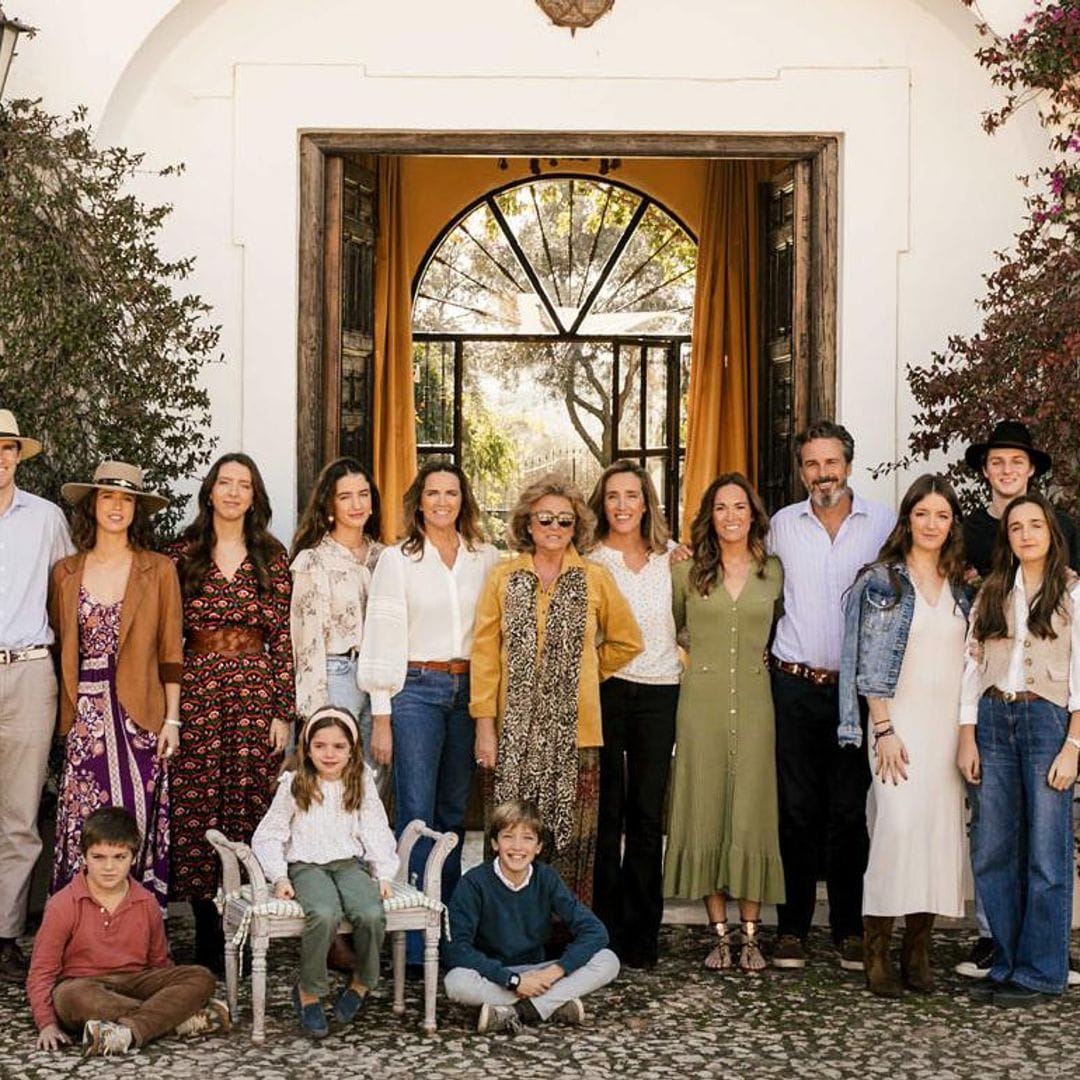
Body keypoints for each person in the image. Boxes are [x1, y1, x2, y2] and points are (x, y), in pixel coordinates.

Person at [471, 474, 642, 905]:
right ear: (527, 523)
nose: (554, 528)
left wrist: (583, 673)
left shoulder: (594, 579)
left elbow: (627, 641)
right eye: (544, 519)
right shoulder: (502, 578)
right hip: (513, 735)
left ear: (576, 527)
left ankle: (563, 938)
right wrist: (484, 728)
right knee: (511, 835)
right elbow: (486, 656)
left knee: (568, 840)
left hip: (576, 736)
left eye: (564, 521)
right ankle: (508, 930)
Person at [358, 459, 499, 968]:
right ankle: (413, 946)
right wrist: (381, 714)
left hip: (469, 692)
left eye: (452, 493)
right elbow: (382, 635)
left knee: (454, 817)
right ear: (419, 501)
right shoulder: (398, 559)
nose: (443, 501)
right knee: (416, 816)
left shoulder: (486, 558)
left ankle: (450, 931)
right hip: (415, 690)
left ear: (465, 501)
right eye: (433, 493)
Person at [767, 421, 895, 971]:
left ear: (849, 464)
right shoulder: (780, 527)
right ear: (802, 471)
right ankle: (792, 929)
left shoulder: (884, 525)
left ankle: (847, 928)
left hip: (854, 690)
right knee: (795, 810)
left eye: (831, 463)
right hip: (794, 682)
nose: (823, 474)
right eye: (812, 465)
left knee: (847, 812)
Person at [839, 474, 971, 996]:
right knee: (896, 830)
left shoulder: (963, 587)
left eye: (942, 515)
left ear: (952, 523)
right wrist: (883, 728)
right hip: (897, 723)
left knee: (937, 836)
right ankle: (876, 951)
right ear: (907, 519)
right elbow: (868, 663)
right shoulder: (883, 582)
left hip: (945, 727)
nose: (932, 524)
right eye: (922, 514)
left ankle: (918, 952)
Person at [958, 420, 1080, 980]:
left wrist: (1074, 742)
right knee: (994, 850)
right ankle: (1004, 960)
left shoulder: (1072, 591)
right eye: (1016, 528)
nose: (1026, 533)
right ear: (1005, 536)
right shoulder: (990, 592)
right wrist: (967, 734)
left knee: (1046, 853)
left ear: (1051, 532)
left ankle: (1042, 969)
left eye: (1036, 525)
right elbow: (971, 666)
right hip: (992, 717)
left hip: (1046, 718)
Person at [165, 452, 295, 971]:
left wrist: (283, 710)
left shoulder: (271, 554)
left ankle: (241, 931)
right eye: (226, 483)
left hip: (253, 692)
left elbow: (283, 636)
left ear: (254, 495)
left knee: (247, 802)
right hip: (197, 691)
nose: (234, 492)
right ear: (210, 491)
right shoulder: (183, 552)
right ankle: (203, 933)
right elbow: (167, 634)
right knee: (196, 806)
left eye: (244, 485)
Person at [663, 473, 785, 973]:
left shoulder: (773, 570)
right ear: (709, 517)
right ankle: (719, 936)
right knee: (708, 806)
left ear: (753, 514)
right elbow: (669, 628)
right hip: (702, 704)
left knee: (752, 811)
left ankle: (752, 937)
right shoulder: (686, 573)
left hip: (757, 703)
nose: (731, 516)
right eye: (720, 508)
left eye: (740, 507)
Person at [49, 462, 182, 910]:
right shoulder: (66, 572)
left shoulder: (159, 570)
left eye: (127, 499)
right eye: (108, 497)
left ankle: (138, 926)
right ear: (93, 504)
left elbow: (171, 652)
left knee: (136, 815)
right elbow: (59, 647)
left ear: (136, 510)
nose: (117, 507)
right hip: (85, 712)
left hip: (141, 709)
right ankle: (81, 927)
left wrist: (172, 719)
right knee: (84, 818)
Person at [28, 807, 228, 1057]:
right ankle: (176, 1020)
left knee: (201, 976)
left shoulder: (146, 902)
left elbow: (159, 965)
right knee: (69, 997)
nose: (109, 867)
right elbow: (42, 972)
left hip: (136, 981)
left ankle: (130, 1031)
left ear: (133, 857)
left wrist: (173, 987)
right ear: (84, 857)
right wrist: (46, 1024)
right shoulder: (63, 905)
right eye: (99, 857)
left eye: (119, 857)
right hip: (85, 985)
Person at [251, 705, 398, 1038]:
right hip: (307, 866)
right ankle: (309, 989)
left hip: (349, 864)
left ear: (352, 750)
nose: (329, 754)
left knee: (371, 912)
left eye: (338, 747)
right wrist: (280, 876)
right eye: (320, 746)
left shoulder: (360, 781)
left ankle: (363, 980)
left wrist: (384, 874)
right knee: (323, 912)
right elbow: (269, 834)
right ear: (307, 748)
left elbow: (375, 829)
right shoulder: (296, 783)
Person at [586, 460, 681, 970]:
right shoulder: (591, 561)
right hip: (609, 689)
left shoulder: (673, 559)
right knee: (607, 814)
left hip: (662, 691)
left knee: (647, 815)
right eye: (613, 496)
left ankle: (642, 935)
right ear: (602, 504)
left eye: (632, 495)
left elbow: (686, 623)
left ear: (647, 503)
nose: (623, 505)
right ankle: (602, 928)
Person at [0, 409, 74, 983]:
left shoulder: (45, 518)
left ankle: (4, 936)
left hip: (27, 671)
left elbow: (66, 601)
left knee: (20, 814)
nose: (0, 456)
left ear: (18, 456)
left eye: (7, 447)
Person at [443, 799, 620, 1035]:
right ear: (495, 843)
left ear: (538, 847)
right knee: (456, 982)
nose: (517, 847)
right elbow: (456, 949)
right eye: (508, 836)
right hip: (495, 974)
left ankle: (517, 1012)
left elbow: (596, 931)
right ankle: (553, 1004)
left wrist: (553, 972)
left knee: (607, 960)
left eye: (527, 838)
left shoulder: (546, 878)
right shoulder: (474, 883)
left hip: (538, 971)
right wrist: (513, 981)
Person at [290, 457, 385, 767]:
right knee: (336, 778)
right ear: (330, 505)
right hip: (335, 676)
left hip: (381, 680)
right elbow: (305, 642)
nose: (356, 504)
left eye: (363, 494)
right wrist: (313, 710)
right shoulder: (313, 561)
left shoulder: (386, 558)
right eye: (345, 497)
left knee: (376, 779)